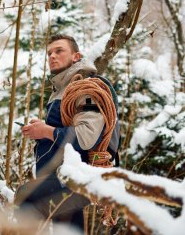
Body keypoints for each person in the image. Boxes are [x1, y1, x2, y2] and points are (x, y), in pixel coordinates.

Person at [14, 34, 120, 231]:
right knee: (67, 229)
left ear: (76, 57)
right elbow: (65, 129)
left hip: (78, 177)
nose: (52, 56)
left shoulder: (85, 88)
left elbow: (86, 137)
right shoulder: (62, 90)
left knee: (25, 196)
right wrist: (43, 129)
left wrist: (45, 131)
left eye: (59, 51)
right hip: (63, 177)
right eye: (49, 53)